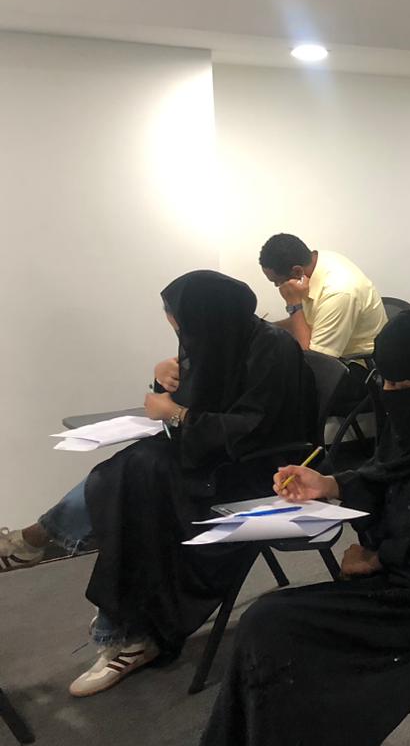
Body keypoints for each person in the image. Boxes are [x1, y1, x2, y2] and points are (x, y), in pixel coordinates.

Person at [169, 309, 410, 746]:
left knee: (295, 660)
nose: (391, 395)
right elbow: (388, 472)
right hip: (399, 585)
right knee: (266, 625)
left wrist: (382, 558)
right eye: (385, 382)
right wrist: (329, 484)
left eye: (403, 384)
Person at [0, 271, 315, 696]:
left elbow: (253, 429)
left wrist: (176, 413)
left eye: (181, 326)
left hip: (257, 474)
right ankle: (123, 627)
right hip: (209, 459)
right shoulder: (219, 333)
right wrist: (166, 375)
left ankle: (47, 552)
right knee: (130, 478)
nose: (181, 337)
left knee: (134, 484)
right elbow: (197, 399)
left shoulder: (273, 351)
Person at [259, 233, 387, 360]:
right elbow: (308, 321)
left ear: (297, 271)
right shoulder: (316, 261)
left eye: (277, 281)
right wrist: (264, 329)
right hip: (329, 350)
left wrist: (293, 304)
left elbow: (313, 363)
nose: (277, 286)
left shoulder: (338, 293)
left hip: (355, 363)